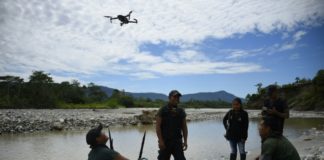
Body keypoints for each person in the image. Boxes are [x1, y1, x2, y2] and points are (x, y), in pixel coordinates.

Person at [156, 90, 188, 160]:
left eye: (178, 97)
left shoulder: (181, 111)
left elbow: (184, 127)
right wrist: (160, 141)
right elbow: (158, 127)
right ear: (169, 97)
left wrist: (185, 141)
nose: (176, 98)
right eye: (174, 96)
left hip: (177, 142)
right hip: (165, 142)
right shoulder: (162, 110)